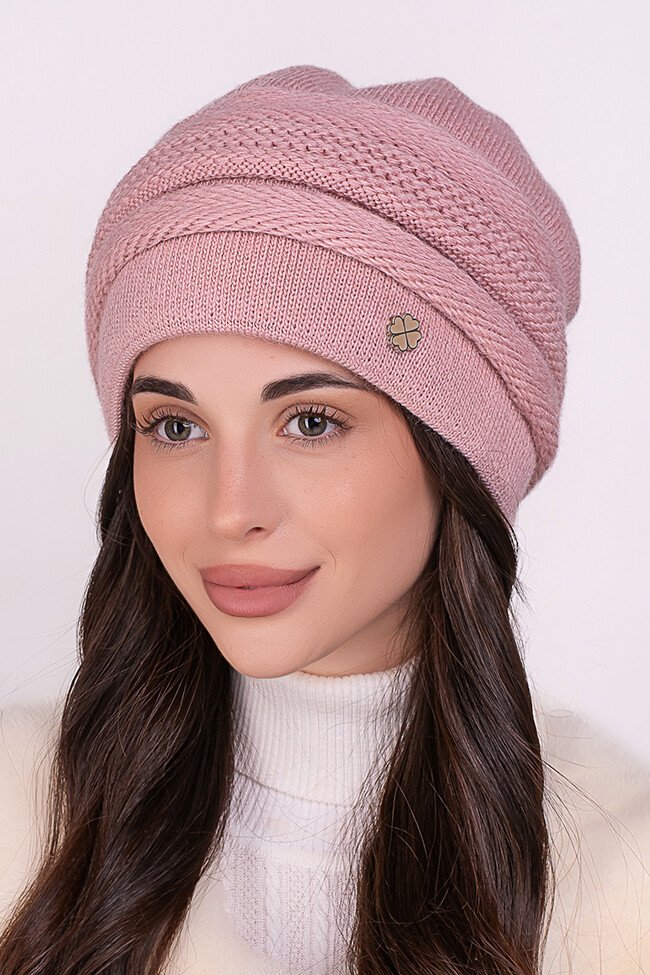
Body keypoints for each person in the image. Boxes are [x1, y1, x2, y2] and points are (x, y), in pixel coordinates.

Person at [0, 63, 648, 975]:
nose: (230, 509)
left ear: (459, 457)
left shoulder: (621, 890)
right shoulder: (20, 825)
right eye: (175, 426)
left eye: (311, 422)